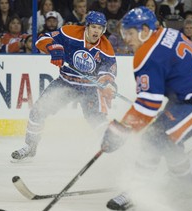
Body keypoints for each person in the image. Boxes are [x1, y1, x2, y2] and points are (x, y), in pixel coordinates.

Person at [98, 6, 192, 211]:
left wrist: (121, 129)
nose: (126, 39)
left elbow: (148, 105)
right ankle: (186, 184)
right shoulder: (167, 33)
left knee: (154, 139)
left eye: (130, 33)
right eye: (124, 33)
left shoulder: (146, 55)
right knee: (165, 137)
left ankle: (135, 192)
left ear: (145, 30)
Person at [11, 11, 117, 161]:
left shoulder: (106, 48)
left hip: (89, 88)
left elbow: (108, 71)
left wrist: (107, 83)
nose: (96, 31)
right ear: (86, 26)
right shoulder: (70, 32)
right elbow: (42, 40)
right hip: (65, 82)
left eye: (100, 28)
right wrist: (54, 49)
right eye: (93, 27)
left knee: (97, 118)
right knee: (38, 110)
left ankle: (112, 147)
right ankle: (30, 146)